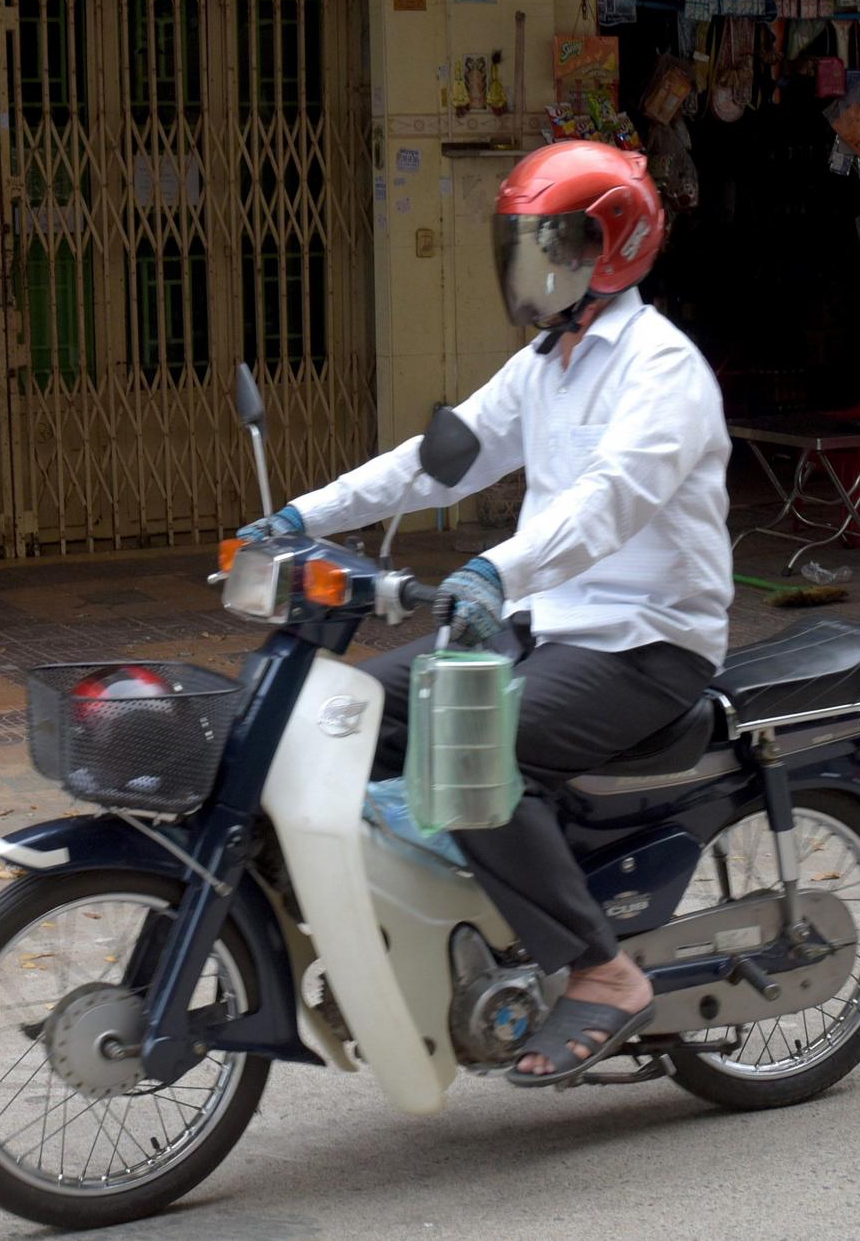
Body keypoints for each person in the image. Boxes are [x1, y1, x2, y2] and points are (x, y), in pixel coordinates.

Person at [237, 141, 731, 1086]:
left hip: (643, 641)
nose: (531, 267)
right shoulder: (546, 362)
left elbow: (610, 499)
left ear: (610, 249)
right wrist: (305, 515)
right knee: (343, 710)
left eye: (553, 245)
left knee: (470, 749)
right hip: (540, 622)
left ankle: (603, 967)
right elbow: (437, 458)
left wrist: (495, 568)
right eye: (523, 245)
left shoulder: (661, 369)